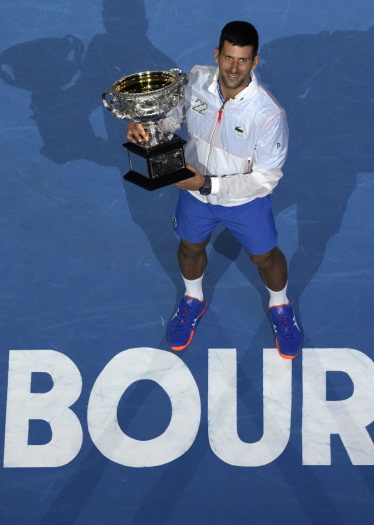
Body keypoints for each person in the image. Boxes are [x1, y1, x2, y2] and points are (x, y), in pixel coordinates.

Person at [126, 21, 302, 359]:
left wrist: (209, 184)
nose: (234, 68)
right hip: (194, 195)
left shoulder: (268, 115)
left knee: (264, 258)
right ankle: (193, 297)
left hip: (243, 201)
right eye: (229, 58)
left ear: (255, 61)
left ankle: (280, 306)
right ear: (217, 55)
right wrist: (149, 127)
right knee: (190, 248)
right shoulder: (196, 79)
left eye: (243, 60)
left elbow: (267, 178)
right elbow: (173, 117)